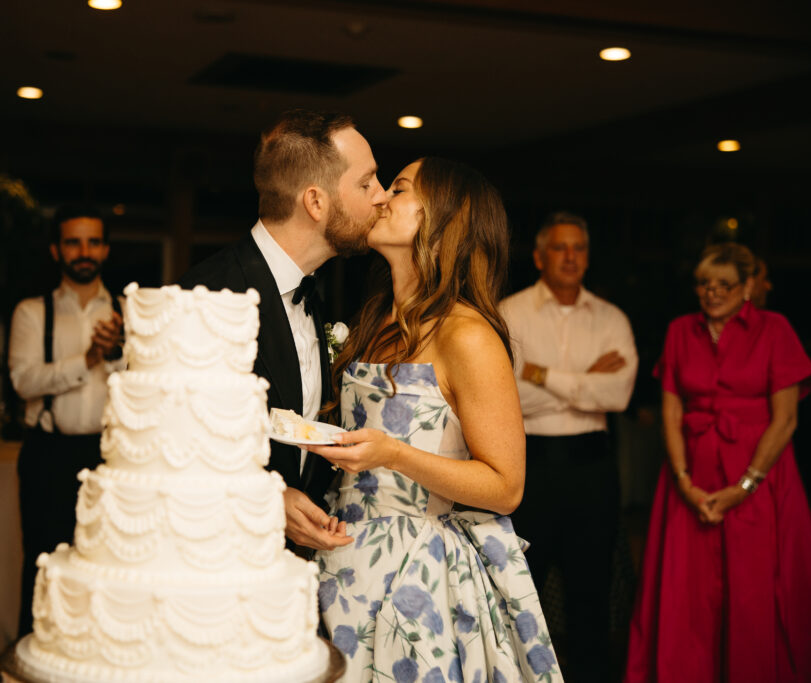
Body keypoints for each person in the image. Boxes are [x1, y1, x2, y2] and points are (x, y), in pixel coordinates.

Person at [308, 158, 562, 683]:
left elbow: (505, 486)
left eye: (397, 189)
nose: (380, 199)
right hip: (346, 555)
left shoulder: (467, 336)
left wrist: (393, 454)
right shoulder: (377, 320)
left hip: (418, 571)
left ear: (441, 220)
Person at [178, 109, 387, 554]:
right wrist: (266, 498)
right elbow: (172, 442)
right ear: (315, 202)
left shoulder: (314, 293)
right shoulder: (208, 294)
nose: (382, 197)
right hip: (212, 562)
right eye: (367, 183)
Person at [625, 242, 811, 682]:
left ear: (748, 286)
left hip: (760, 478)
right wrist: (683, 481)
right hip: (690, 479)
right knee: (689, 593)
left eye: (724, 285)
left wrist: (745, 486)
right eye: (703, 284)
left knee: (755, 592)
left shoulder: (775, 329)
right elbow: (672, 412)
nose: (712, 293)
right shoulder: (680, 330)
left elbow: (786, 418)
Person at [498, 211, 637, 682]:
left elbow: (617, 394)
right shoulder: (507, 313)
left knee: (591, 594)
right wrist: (585, 380)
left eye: (579, 247)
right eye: (560, 247)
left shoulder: (612, 318)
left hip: (593, 469)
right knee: (521, 589)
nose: (571, 256)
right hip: (529, 466)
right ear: (539, 257)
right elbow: (507, 397)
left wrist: (541, 374)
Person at [8, 205, 124, 636]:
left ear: (106, 249)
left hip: (109, 461)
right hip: (47, 455)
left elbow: (141, 384)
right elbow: (23, 380)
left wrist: (113, 355)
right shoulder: (31, 312)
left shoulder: (125, 311)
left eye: (93, 241)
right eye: (73, 241)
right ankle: (32, 659)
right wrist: (88, 358)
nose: (84, 251)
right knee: (43, 563)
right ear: (57, 250)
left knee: (106, 568)